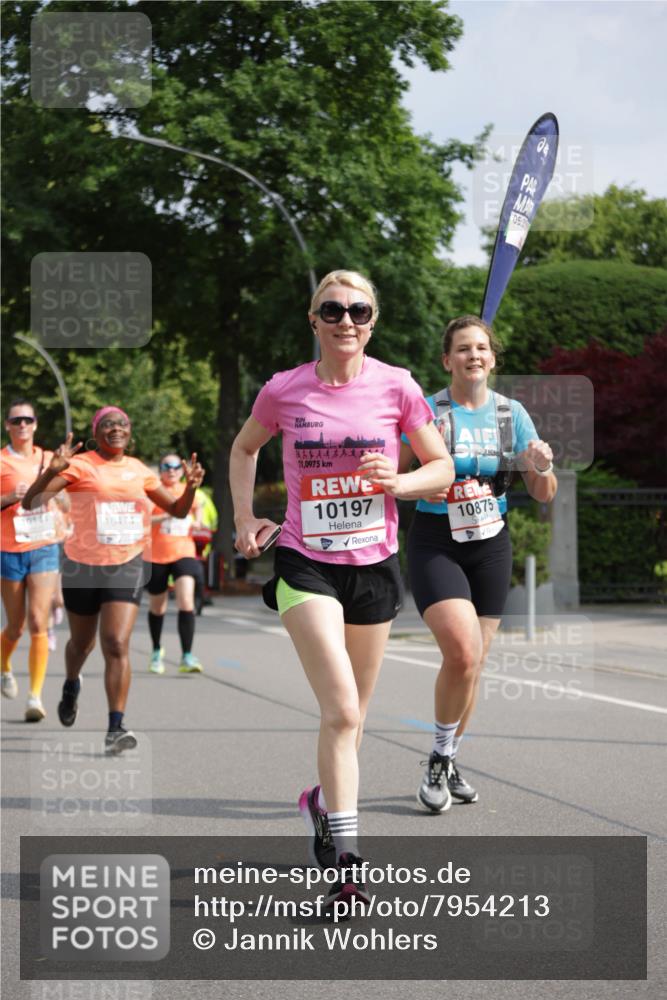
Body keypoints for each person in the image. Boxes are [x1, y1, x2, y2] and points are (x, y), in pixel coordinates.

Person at [230, 270, 453, 907]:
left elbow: (440, 470)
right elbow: (244, 450)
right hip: (306, 564)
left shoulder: (398, 386)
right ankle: (349, 864)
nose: (346, 320)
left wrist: (398, 483)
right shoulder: (284, 390)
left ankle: (321, 804)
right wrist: (245, 519)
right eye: (333, 309)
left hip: (375, 566)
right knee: (344, 710)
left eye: (358, 310)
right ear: (314, 319)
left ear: (372, 321)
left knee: (353, 718)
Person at [401, 315, 557, 813]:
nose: (473, 356)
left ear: (492, 358)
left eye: (481, 349)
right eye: (463, 349)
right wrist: (431, 476)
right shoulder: (428, 411)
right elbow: (403, 477)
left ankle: (445, 757)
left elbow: (543, 492)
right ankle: (439, 761)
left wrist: (540, 465)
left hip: (491, 541)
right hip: (435, 539)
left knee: (473, 666)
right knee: (463, 654)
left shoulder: (512, 415)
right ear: (447, 360)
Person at [22, 406, 204, 755]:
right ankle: (72, 683)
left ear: (129, 433)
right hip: (81, 566)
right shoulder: (81, 464)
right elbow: (32, 502)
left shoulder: (139, 471)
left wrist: (191, 489)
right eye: (107, 424)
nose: (115, 428)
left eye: (122, 424)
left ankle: (115, 726)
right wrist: (50, 473)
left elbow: (178, 510)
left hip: (126, 564)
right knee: (81, 644)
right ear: (97, 432)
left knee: (116, 643)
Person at [1, 400, 62, 721]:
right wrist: (10, 498)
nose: (22, 424)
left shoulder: (50, 459)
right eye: (16, 420)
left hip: (43, 545)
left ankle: (35, 697)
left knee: (39, 621)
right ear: (8, 426)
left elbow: (65, 496)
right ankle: (4, 666)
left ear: (35, 424)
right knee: (16, 626)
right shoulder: (0, 460)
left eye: (28, 419)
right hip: (9, 549)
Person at [145, 453, 205, 674]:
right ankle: (156, 650)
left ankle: (187, 656)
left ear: (182, 469)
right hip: (156, 555)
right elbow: (143, 519)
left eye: (176, 466)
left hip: (183, 551)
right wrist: (168, 516)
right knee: (157, 607)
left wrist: (197, 522)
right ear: (160, 469)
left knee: (186, 601)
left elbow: (197, 512)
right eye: (166, 466)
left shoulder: (188, 489)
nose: (172, 470)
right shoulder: (153, 491)